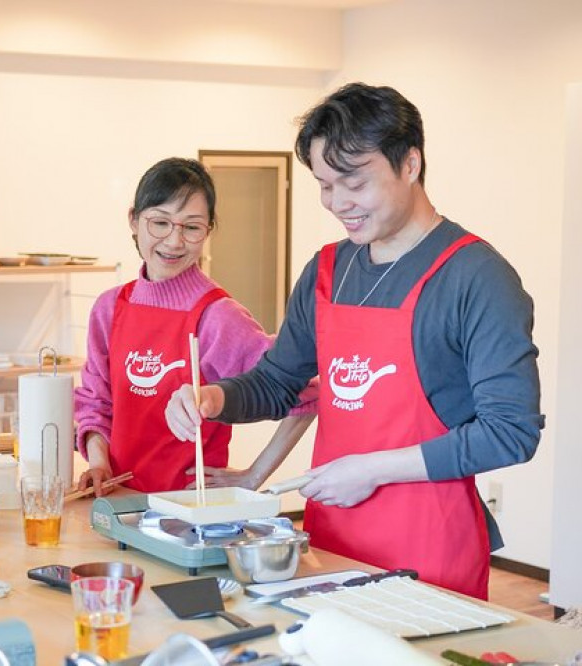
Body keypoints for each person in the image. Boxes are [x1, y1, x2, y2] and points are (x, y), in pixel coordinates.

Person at [165, 83, 543, 600]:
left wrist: (372, 470)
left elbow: (510, 432)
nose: (338, 203)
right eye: (324, 185)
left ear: (409, 165)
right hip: (331, 544)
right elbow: (278, 382)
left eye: (354, 183)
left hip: (429, 555)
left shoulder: (476, 278)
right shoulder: (328, 269)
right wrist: (215, 397)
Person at [75, 157, 316, 496]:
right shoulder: (109, 308)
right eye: (160, 223)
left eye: (191, 227)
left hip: (190, 514)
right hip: (116, 503)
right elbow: (95, 401)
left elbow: (306, 393)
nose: (174, 242)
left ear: (208, 230)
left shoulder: (219, 316)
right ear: (133, 220)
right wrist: (99, 464)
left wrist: (253, 475)